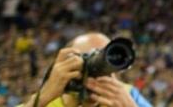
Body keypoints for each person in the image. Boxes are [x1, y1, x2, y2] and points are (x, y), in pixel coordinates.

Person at [21, 33, 151, 107]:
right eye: (88, 59)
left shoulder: (127, 95)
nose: (97, 71)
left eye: (106, 60)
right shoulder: (48, 99)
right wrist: (41, 99)